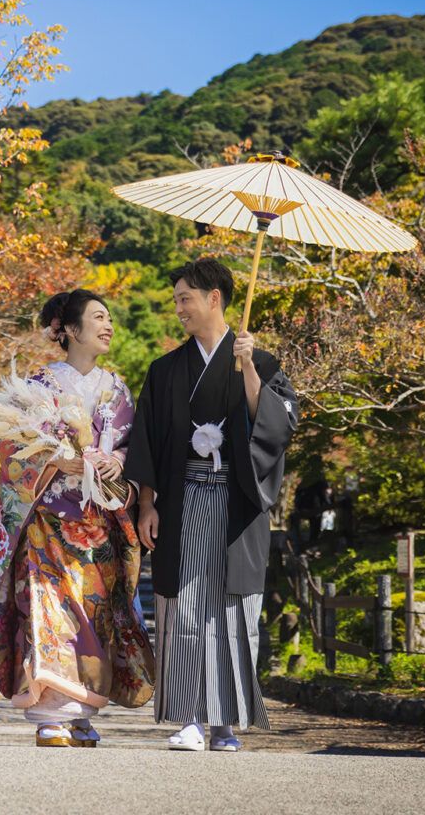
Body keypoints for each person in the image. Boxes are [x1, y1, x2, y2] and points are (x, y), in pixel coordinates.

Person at [125, 258, 298, 753]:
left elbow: (277, 426)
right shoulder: (166, 370)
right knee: (182, 606)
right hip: (181, 502)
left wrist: (247, 369)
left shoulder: (261, 363)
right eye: (177, 299)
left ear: (215, 299)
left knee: (232, 609)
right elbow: (151, 442)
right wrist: (147, 506)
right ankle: (188, 719)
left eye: (186, 298)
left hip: (237, 504)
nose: (179, 308)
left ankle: (225, 721)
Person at [0, 289, 156, 747]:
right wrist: (58, 459)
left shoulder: (116, 389)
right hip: (46, 520)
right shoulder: (39, 387)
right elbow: (12, 450)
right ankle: (49, 713)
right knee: (47, 609)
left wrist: (115, 460)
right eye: (98, 318)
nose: (108, 325)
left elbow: (134, 446)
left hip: (99, 523)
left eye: (110, 318)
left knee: (93, 615)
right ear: (71, 330)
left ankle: (80, 710)